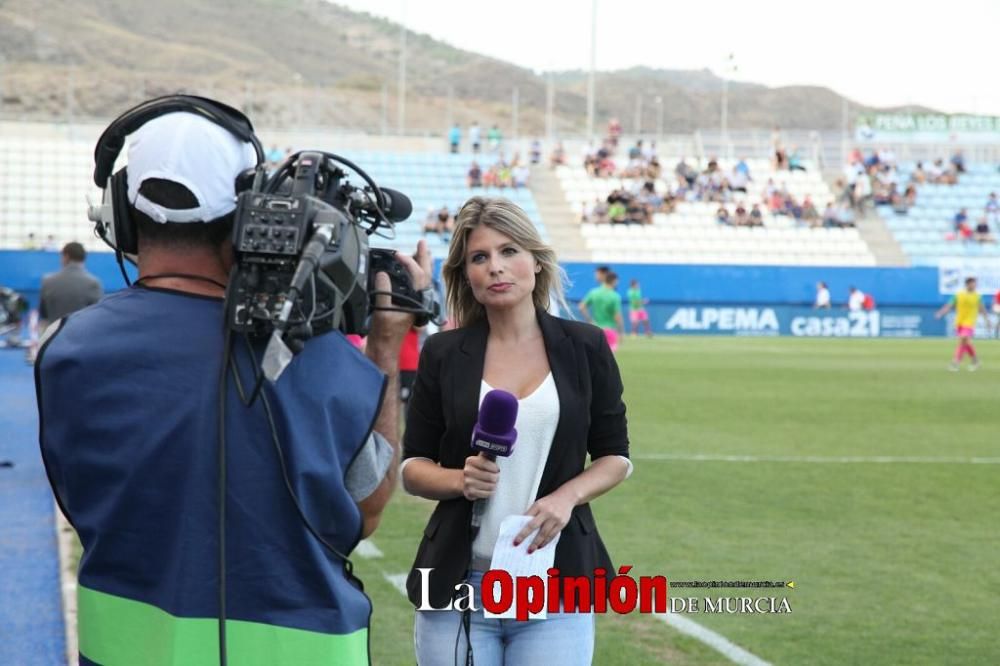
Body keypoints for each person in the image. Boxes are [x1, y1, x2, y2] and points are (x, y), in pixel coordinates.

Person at [35, 101, 432, 664]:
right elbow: (364, 512)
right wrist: (386, 344)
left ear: (120, 211)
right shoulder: (318, 359)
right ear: (251, 214)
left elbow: (80, 501)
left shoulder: (65, 349)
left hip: (122, 648)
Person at [400, 196, 630, 665]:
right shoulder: (443, 354)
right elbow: (411, 467)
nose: (495, 268)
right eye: (479, 258)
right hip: (459, 587)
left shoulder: (584, 346)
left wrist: (566, 498)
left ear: (536, 261)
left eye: (509, 252)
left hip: (556, 584)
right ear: (467, 274)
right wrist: (457, 480)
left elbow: (615, 458)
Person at [38, 241, 104, 330]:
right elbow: (97, 316)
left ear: (66, 256)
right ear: (83, 258)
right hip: (82, 339)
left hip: (54, 338)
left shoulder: (47, 281)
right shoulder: (93, 283)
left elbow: (43, 314)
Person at [935, 277, 988, 371]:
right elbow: (949, 305)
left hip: (970, 322)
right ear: (967, 284)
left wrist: (987, 320)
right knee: (966, 342)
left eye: (975, 284)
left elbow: (982, 309)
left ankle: (955, 362)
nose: (975, 285)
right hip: (959, 322)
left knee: (963, 339)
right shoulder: (959, 295)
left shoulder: (977, 296)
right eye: (973, 283)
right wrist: (940, 313)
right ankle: (975, 361)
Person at [579, 271, 625, 352]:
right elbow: (617, 316)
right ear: (614, 281)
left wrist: (589, 320)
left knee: (595, 359)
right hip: (610, 330)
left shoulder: (594, 292)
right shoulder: (615, 296)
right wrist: (621, 332)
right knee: (609, 361)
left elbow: (581, 307)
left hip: (595, 330)